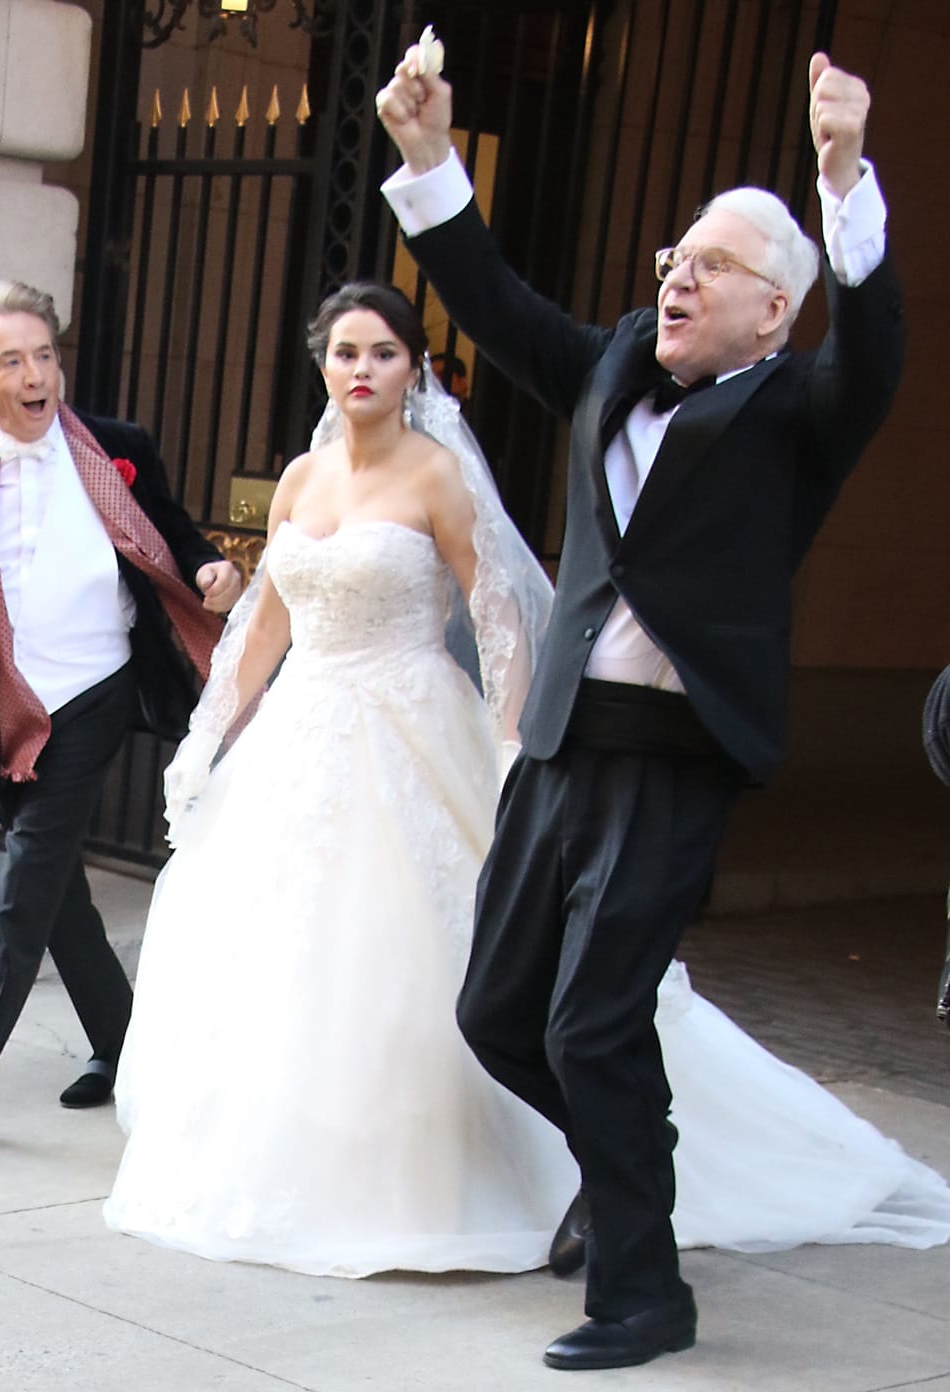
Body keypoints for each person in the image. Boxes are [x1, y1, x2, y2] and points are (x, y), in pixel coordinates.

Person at [103, 284, 950, 1283]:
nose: (361, 369)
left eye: (381, 351)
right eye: (343, 353)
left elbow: (499, 617)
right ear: (322, 367)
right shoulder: (297, 480)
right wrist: (211, 735)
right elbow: (269, 629)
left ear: (414, 368)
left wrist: (513, 750)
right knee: (279, 948)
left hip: (413, 718)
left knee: (415, 943)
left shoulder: (437, 477)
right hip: (304, 727)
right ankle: (281, 1154)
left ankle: (481, 1165)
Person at [376, 41, 905, 1370]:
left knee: (591, 1021)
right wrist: (433, 162)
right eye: (676, 252)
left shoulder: (800, 410)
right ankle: (632, 1171)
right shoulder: (615, 360)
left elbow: (878, 350)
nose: (679, 269)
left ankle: (642, 1292)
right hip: (561, 748)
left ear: (775, 311)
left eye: (714, 263)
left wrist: (843, 180)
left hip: (673, 760)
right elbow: (496, 307)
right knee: (502, 1014)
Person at [0, 279, 240, 1140]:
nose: (35, 376)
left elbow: (175, 533)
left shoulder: (116, 448)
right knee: (60, 894)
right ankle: (124, 1044)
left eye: (44, 356)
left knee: (26, 882)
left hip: (98, 690)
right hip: (7, 710)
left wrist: (211, 568)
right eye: (12, 362)